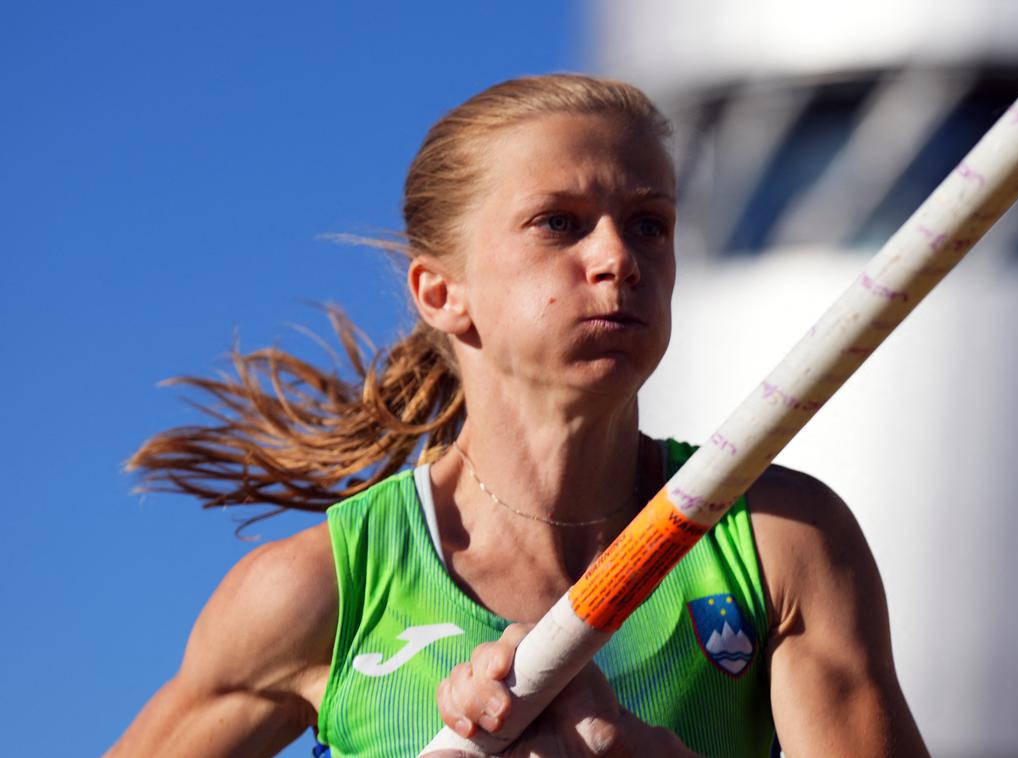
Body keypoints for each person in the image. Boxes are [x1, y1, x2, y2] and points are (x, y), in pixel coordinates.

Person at [107, 74, 928, 757]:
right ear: (442, 293)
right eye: (558, 224)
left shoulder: (777, 541)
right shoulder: (320, 591)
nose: (618, 259)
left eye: (651, 225)